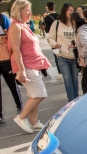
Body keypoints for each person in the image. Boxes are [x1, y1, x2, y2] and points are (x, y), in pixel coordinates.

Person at [9, 0, 51, 133]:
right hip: (26, 66)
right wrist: (21, 71)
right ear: (19, 10)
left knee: (33, 95)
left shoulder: (23, 25)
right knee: (40, 94)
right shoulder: (16, 27)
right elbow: (16, 50)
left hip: (33, 65)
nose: (30, 13)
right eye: (27, 10)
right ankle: (22, 117)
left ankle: (34, 122)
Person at [47, 3, 79, 102]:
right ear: (64, 11)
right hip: (62, 56)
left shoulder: (76, 23)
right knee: (67, 79)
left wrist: (77, 44)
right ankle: (71, 101)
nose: (71, 12)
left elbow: (81, 37)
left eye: (73, 10)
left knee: (75, 79)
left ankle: (76, 99)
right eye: (69, 10)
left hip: (75, 56)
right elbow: (50, 38)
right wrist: (56, 45)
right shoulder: (57, 23)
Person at [0, 12, 23, 126]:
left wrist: (6, 34)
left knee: (12, 85)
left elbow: (12, 37)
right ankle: (0, 116)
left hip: (5, 59)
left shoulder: (3, 17)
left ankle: (20, 107)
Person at [44, 2, 61, 76]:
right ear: (54, 7)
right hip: (61, 37)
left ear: (47, 8)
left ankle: (60, 71)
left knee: (56, 55)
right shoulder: (60, 16)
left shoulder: (47, 18)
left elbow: (47, 30)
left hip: (53, 39)